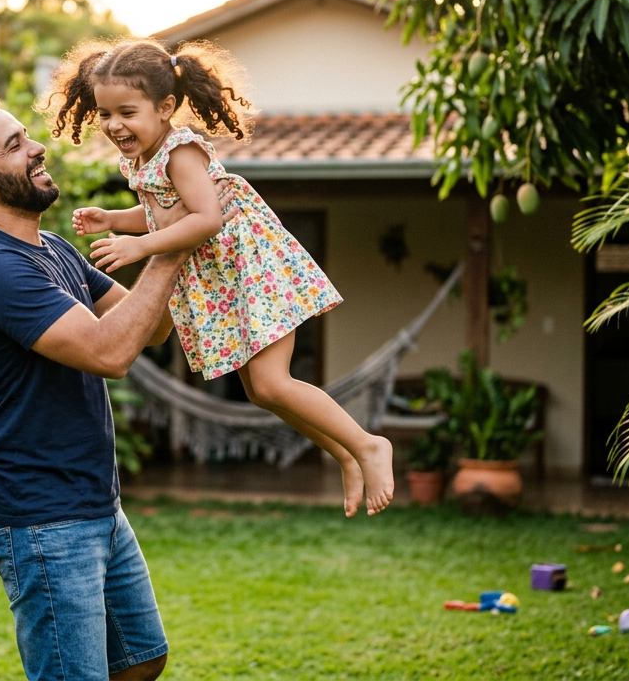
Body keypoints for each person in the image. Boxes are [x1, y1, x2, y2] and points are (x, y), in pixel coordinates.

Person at [0, 98, 234, 680]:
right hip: (40, 516)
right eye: (14, 145)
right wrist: (174, 237)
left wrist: (168, 228)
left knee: (143, 659)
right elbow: (110, 353)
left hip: (93, 501)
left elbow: (152, 327)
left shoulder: (53, 251)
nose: (37, 146)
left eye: (26, 136)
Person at [44, 37, 395, 517]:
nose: (113, 125)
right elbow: (166, 211)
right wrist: (114, 217)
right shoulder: (144, 157)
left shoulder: (180, 151)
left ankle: (369, 445)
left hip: (253, 271)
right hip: (227, 276)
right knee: (261, 390)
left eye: (126, 111)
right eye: (105, 114)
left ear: (166, 106)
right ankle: (345, 453)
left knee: (271, 385)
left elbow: (206, 218)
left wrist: (140, 245)